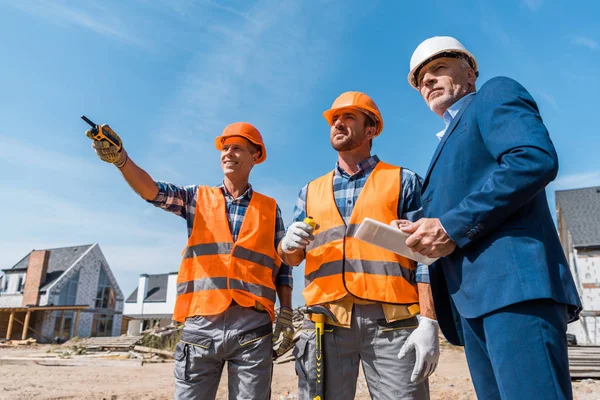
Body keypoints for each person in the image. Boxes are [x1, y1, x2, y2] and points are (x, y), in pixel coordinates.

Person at [397, 36, 582, 400]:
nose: (428, 81)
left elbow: (532, 159)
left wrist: (449, 225)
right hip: (471, 304)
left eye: (438, 69)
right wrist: (422, 228)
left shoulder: (494, 95)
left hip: (513, 293)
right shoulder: (446, 139)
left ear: (469, 74)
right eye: (421, 80)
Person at [85, 121, 295, 400]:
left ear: (255, 156)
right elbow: (152, 191)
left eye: (237, 148)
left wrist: (287, 313)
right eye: (225, 148)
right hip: (201, 326)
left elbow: (282, 266)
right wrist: (122, 160)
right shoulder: (197, 198)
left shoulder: (270, 208)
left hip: (252, 328)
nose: (228, 153)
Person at [278, 91, 438, 400]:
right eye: (334, 119)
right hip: (327, 323)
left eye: (348, 117)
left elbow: (427, 258)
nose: (337, 122)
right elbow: (293, 258)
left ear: (371, 129)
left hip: (392, 323)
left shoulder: (403, 181)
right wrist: (287, 245)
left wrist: (429, 320)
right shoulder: (309, 192)